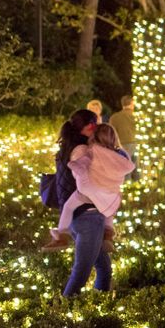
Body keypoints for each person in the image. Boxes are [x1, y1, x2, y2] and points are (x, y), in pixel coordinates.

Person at [44, 124, 135, 253]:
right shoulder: (121, 155)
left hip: (89, 191)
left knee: (69, 207)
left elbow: (83, 163)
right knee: (110, 210)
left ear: (94, 136)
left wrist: (75, 165)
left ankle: (62, 235)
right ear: (114, 138)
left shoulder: (93, 151)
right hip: (110, 191)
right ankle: (108, 235)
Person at [55, 109, 113, 297]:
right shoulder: (82, 150)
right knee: (81, 272)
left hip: (77, 214)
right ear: (89, 126)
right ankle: (64, 312)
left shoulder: (70, 146)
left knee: (104, 268)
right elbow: (93, 177)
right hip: (87, 215)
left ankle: (99, 306)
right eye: (95, 124)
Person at [108, 95, 135, 162]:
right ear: (132, 103)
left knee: (124, 168)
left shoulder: (114, 117)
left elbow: (111, 133)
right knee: (136, 168)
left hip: (121, 145)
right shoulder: (138, 116)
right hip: (136, 144)